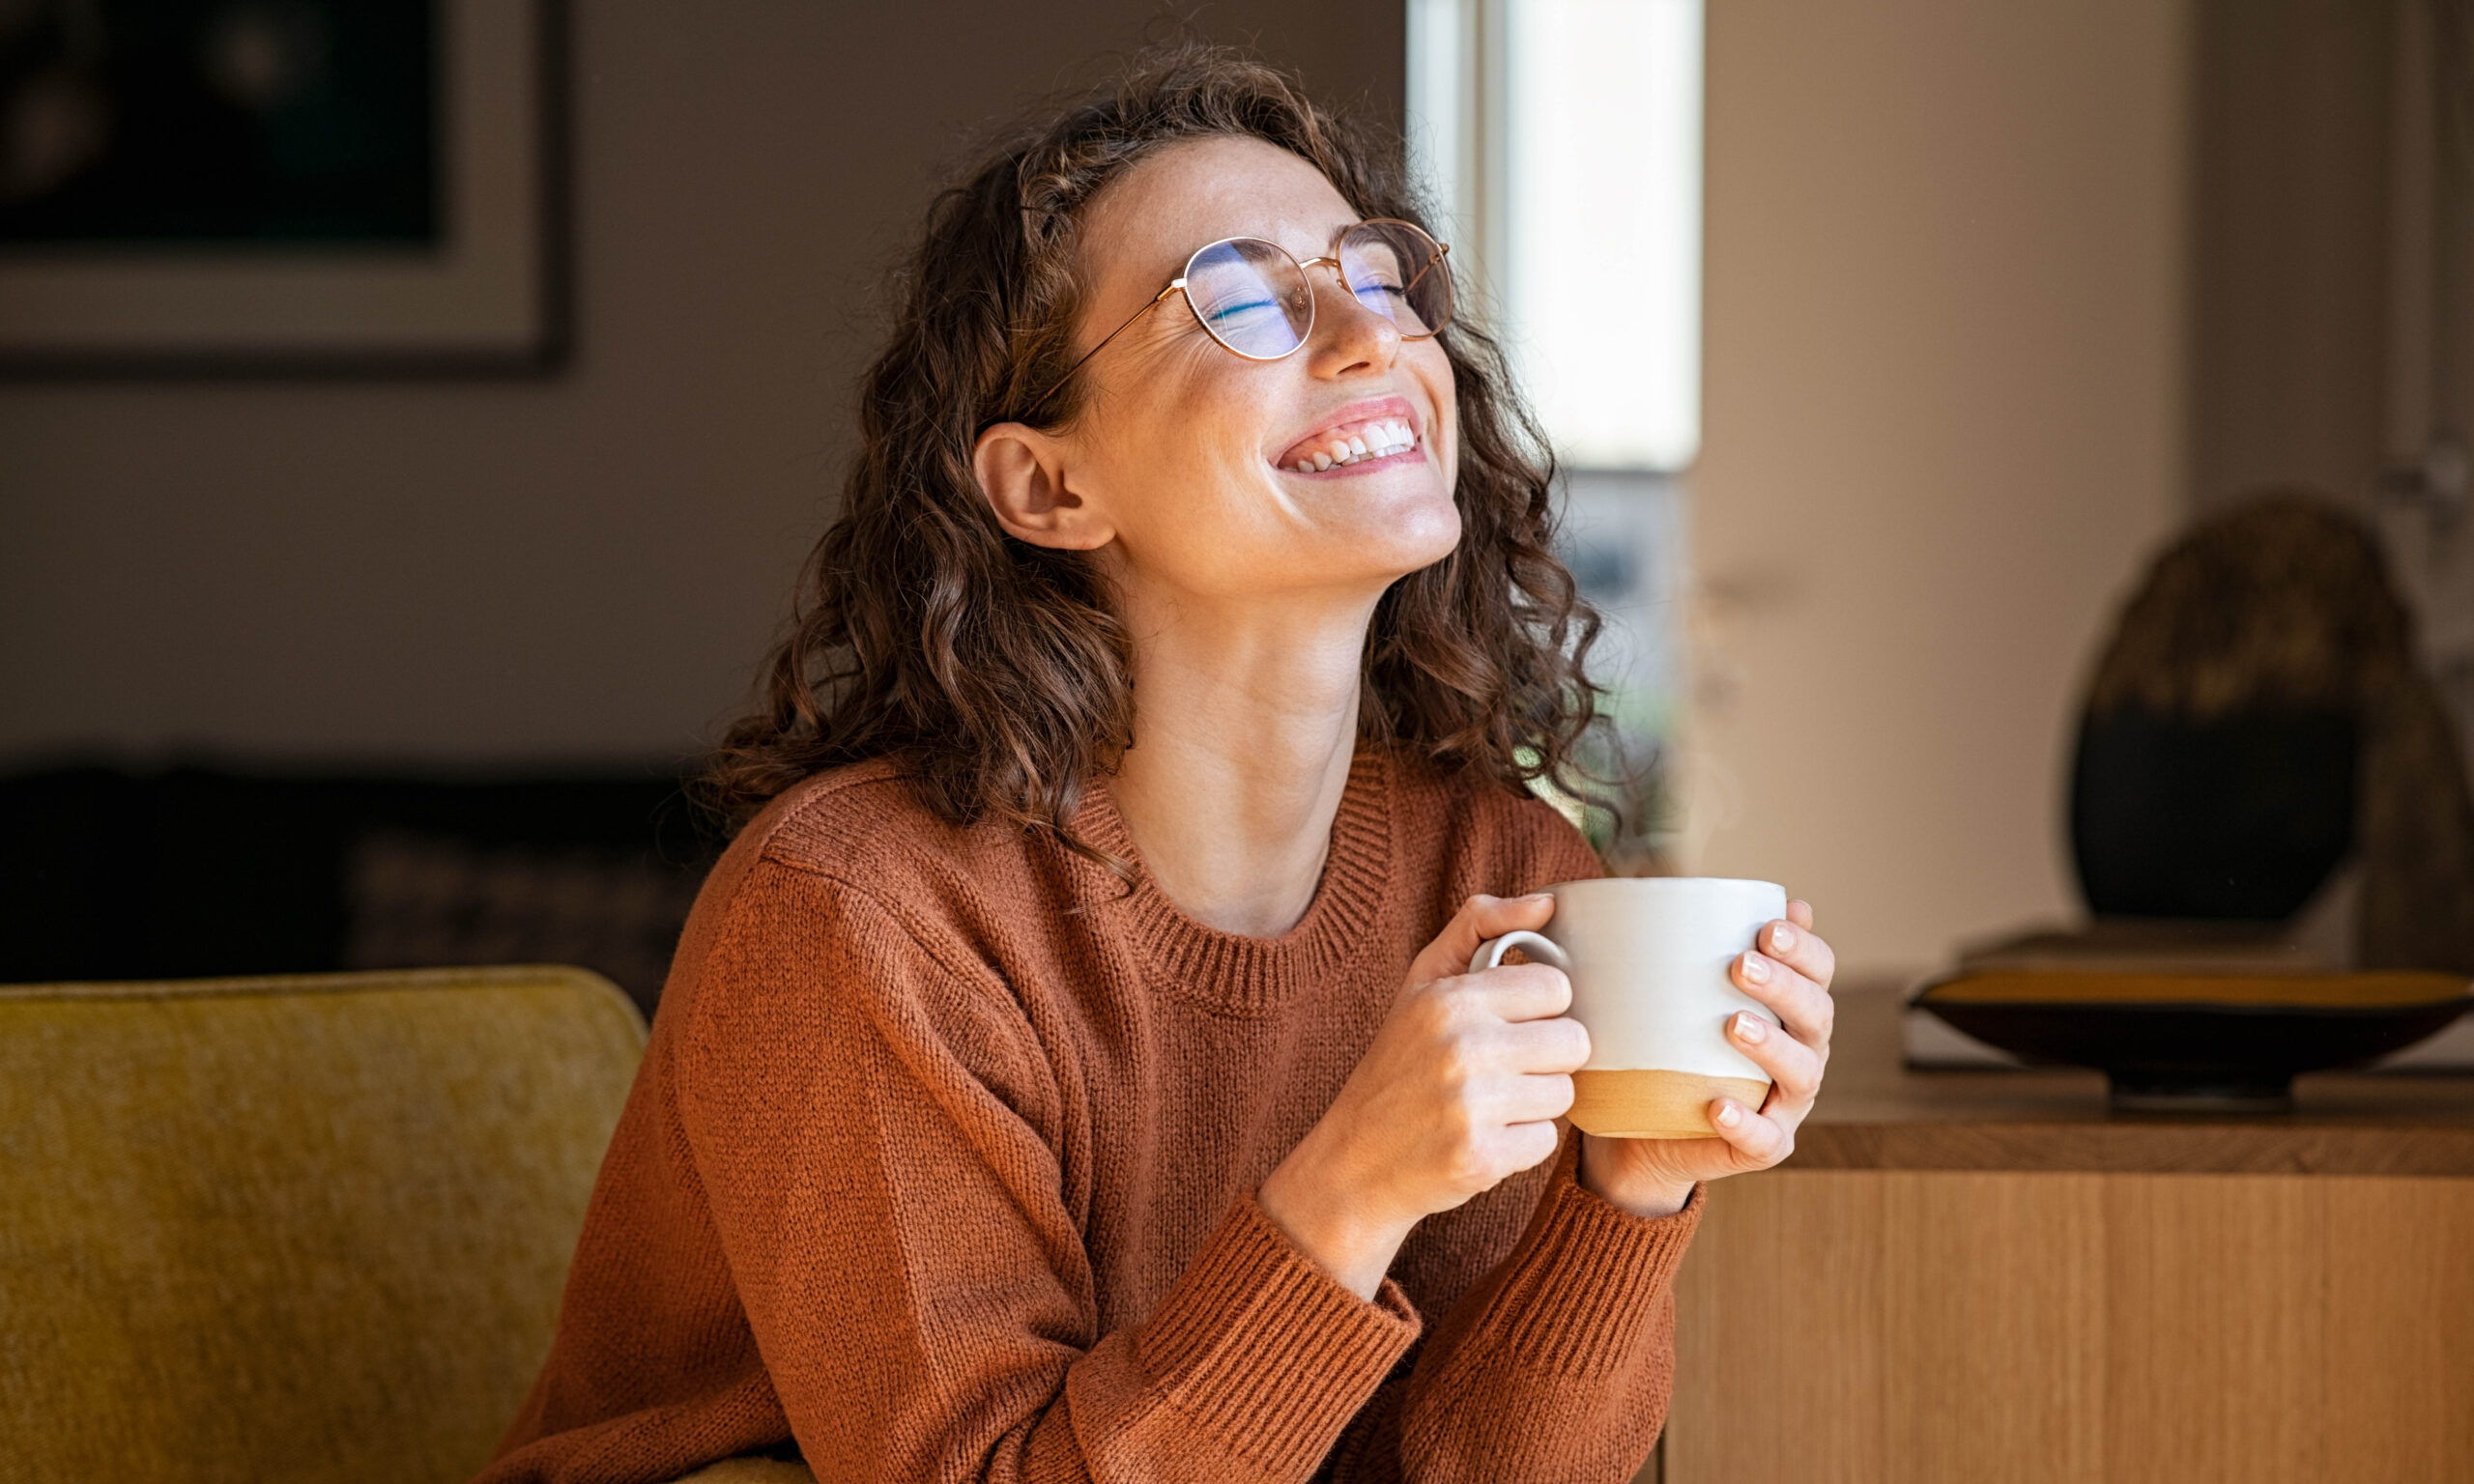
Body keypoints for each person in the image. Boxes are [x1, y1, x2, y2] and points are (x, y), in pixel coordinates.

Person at [478, 43, 1834, 1484]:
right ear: (1049, 486)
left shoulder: (1500, 876)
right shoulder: (864, 916)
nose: (1370, 336)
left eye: (1377, 275)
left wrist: (1631, 1190)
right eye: (1242, 299)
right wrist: (1346, 1191)